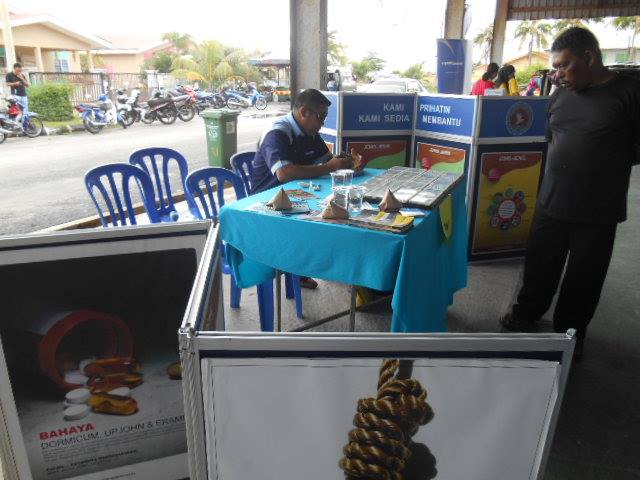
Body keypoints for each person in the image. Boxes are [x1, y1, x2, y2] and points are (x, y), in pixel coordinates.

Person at [499, 27, 640, 360]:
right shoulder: (560, 94)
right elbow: (554, 139)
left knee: (584, 278)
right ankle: (526, 314)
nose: (558, 74)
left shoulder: (629, 93)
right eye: (556, 67)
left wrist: (606, 159)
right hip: (552, 201)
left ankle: (569, 336)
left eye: (564, 65)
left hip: (597, 210)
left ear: (588, 57)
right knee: (539, 266)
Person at [249, 88, 357, 289]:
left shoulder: (310, 132)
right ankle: (300, 265)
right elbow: (284, 173)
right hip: (268, 203)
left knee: (339, 210)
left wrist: (350, 164)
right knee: (326, 219)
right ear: (304, 112)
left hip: (297, 194)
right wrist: (330, 166)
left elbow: (329, 161)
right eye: (320, 117)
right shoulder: (277, 132)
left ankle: (311, 265)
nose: (322, 123)